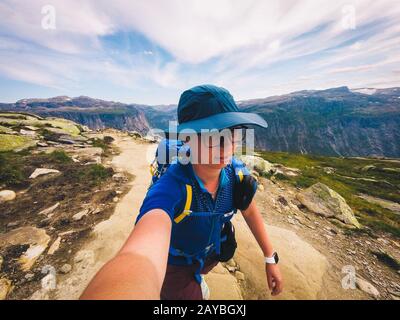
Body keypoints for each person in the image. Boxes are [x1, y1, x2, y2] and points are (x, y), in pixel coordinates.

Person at [80, 84, 283, 300]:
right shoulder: (171, 187)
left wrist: (270, 258)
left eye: (234, 133)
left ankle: (198, 278)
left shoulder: (236, 176)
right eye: (213, 138)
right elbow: (139, 255)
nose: (227, 147)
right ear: (187, 139)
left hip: (209, 252)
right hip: (174, 266)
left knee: (200, 272)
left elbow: (249, 211)